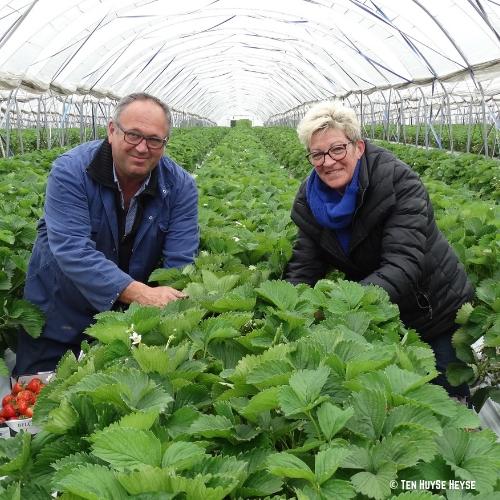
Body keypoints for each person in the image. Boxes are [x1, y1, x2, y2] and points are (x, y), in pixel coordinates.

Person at [284, 101, 473, 400]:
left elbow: (404, 263)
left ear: (358, 147)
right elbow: (305, 265)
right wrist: (288, 312)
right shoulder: (311, 200)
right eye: (317, 154)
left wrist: (344, 308)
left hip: (436, 308)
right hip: (383, 311)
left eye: (337, 149)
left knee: (446, 401)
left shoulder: (398, 183)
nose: (328, 161)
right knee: (392, 399)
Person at [15, 92, 199, 375]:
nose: (142, 147)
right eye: (133, 135)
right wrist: (142, 295)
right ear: (112, 131)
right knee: (39, 405)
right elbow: (72, 249)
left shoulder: (180, 186)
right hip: (57, 315)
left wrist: (169, 316)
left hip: (124, 325)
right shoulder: (72, 171)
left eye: (154, 140)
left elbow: (180, 262)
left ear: (165, 143)